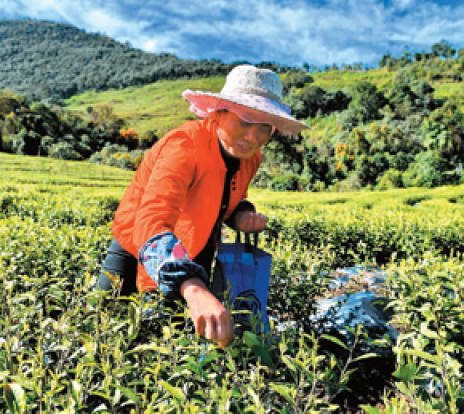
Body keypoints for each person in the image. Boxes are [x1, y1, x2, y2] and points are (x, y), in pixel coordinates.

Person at [96, 65, 309, 347]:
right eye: (244, 121)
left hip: (199, 245)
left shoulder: (250, 158)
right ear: (219, 112)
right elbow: (151, 220)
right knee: (107, 333)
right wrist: (193, 287)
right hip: (137, 247)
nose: (252, 137)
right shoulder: (184, 146)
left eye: (264, 128)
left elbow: (227, 198)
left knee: (172, 342)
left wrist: (241, 216)